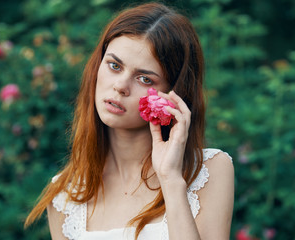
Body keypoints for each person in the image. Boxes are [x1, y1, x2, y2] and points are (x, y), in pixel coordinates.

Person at [25, 2, 234, 240]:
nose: (120, 86)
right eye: (114, 66)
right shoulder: (65, 195)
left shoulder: (209, 169)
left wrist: (171, 179)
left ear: (174, 95)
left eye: (145, 79)